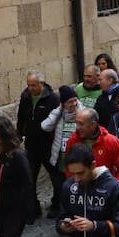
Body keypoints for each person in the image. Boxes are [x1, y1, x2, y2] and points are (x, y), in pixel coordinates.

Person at [16, 71, 60, 220]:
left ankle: (56, 205)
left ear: (41, 84)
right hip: (31, 145)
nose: (30, 88)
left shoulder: (53, 98)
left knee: (55, 176)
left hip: (48, 144)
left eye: (33, 85)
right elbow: (21, 118)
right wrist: (19, 134)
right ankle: (33, 208)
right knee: (29, 177)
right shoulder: (25, 97)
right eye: (28, 85)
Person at [65, 106, 119, 185]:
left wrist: (112, 187)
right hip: (80, 190)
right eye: (76, 123)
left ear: (93, 125)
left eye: (81, 124)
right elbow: (68, 168)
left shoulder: (111, 141)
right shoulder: (72, 141)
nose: (77, 127)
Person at [41, 85, 81, 220]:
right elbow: (45, 126)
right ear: (63, 103)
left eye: (75, 100)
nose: (73, 104)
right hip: (60, 158)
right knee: (62, 188)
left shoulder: (82, 112)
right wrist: (59, 111)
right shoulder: (58, 115)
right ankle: (66, 215)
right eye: (70, 102)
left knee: (76, 188)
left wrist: (79, 109)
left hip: (76, 159)